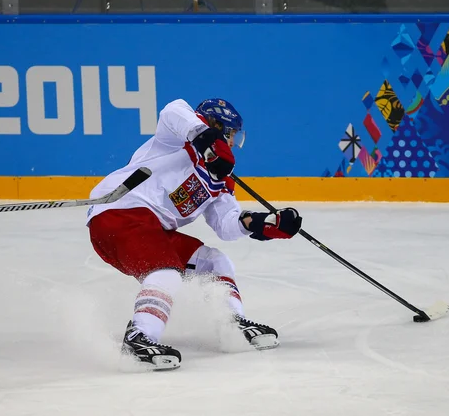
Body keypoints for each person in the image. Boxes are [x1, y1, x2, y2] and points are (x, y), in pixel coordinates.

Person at [86, 98, 302, 370]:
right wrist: (205, 137)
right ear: (215, 126)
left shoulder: (220, 176)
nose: (233, 143)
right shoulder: (175, 139)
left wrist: (263, 223)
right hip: (120, 214)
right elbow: (173, 109)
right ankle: (139, 337)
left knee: (214, 262)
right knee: (166, 272)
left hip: (152, 230)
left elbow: (226, 223)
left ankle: (231, 323)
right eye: (230, 134)